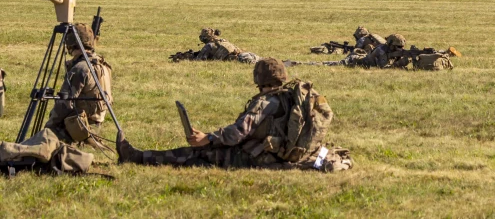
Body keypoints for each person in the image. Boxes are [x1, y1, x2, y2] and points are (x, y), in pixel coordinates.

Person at [117, 58, 352, 172]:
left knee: (196, 152)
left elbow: (239, 132)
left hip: (257, 158)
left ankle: (137, 157)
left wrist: (208, 137)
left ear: (259, 79)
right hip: (275, 154)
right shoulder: (290, 97)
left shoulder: (265, 102)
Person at [43, 23, 113, 147]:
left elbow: (64, 105)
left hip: (80, 126)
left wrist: (49, 128)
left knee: (43, 141)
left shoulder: (81, 68)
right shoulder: (102, 64)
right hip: (95, 124)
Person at [170, 28, 260, 64]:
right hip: (246, 54)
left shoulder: (209, 45)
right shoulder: (222, 40)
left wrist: (184, 58)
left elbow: (199, 60)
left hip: (241, 59)